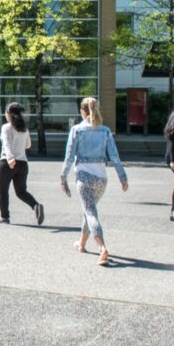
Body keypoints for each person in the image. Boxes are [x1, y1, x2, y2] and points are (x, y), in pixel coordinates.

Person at [60, 97, 128, 266]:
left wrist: (63, 177)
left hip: (84, 177)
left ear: (82, 112)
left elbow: (69, 156)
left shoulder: (77, 130)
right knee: (88, 210)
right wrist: (123, 177)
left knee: (90, 213)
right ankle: (81, 244)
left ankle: (102, 248)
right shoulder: (105, 130)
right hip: (102, 179)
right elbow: (114, 156)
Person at [0, 103, 44, 225]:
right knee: (21, 191)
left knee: (3, 191)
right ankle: (36, 206)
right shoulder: (24, 128)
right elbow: (28, 145)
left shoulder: (6, 127)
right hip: (23, 163)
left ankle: (4, 217)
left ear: (9, 114)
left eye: (6, 112)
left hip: (7, 163)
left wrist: (10, 159)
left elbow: (6, 144)